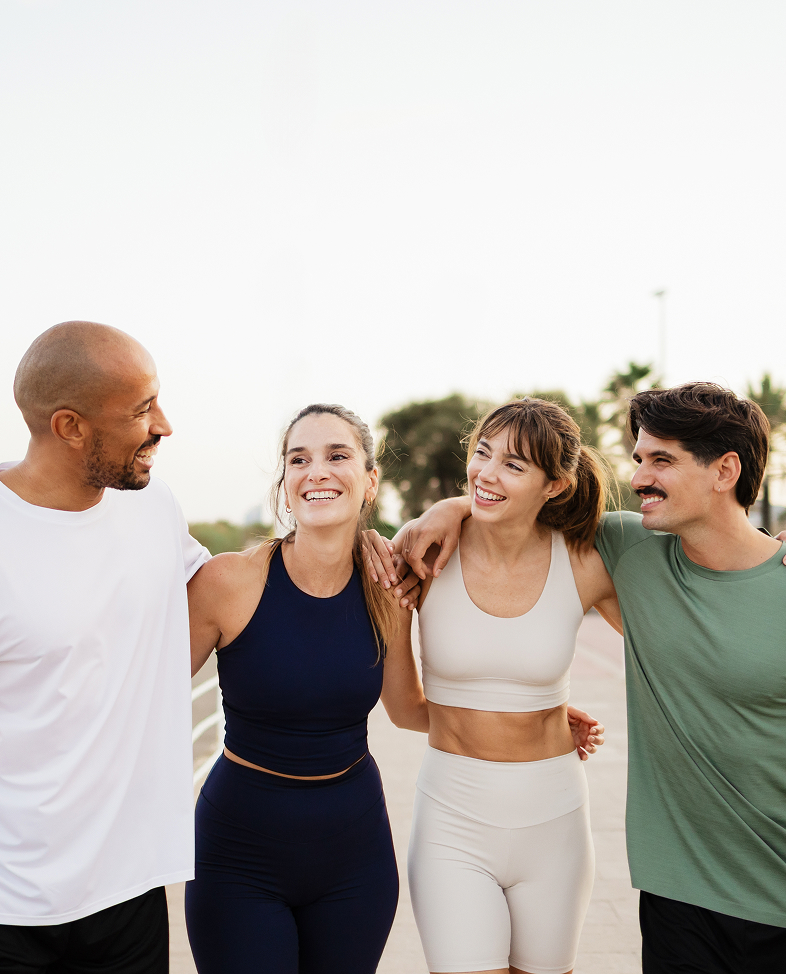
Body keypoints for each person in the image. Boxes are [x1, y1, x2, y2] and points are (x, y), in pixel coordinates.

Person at [397, 383, 786, 974]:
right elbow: (512, 516)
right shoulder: (628, 545)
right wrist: (446, 509)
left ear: (725, 470)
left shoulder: (628, 555)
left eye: (661, 460)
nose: (639, 478)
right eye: (638, 458)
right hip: (680, 894)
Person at [184, 403, 429, 974]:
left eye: (336, 455)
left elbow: (408, 708)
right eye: (300, 459)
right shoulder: (229, 581)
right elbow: (144, 695)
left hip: (355, 856)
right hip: (238, 854)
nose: (316, 471)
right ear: (285, 484)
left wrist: (531, 718)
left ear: (370, 481)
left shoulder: (387, 586)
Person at [0, 322, 211, 973]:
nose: (166, 426)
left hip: (129, 891)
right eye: (143, 408)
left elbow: (229, 591)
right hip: (11, 907)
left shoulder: (155, 508)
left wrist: (439, 519)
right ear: (70, 426)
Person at [393, 397, 618, 974]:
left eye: (514, 465)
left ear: (556, 485)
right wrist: (495, 718)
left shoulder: (586, 561)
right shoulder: (423, 556)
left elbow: (677, 638)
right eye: (482, 453)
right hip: (453, 818)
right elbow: (401, 707)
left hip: (556, 820)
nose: (486, 474)